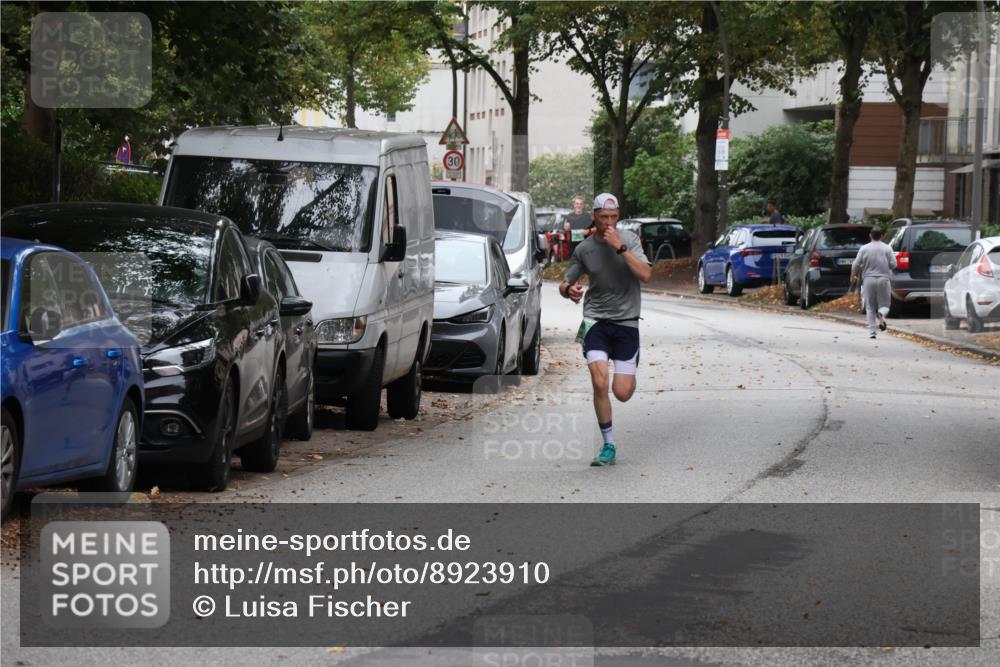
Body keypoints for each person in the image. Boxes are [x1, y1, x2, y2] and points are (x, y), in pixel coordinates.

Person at [559, 193, 652, 467]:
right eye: (603, 217)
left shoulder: (630, 240)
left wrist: (620, 247)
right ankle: (608, 445)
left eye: (613, 217)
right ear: (594, 216)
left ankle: (629, 374)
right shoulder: (585, 248)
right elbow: (565, 282)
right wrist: (569, 290)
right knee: (599, 382)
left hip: (626, 321)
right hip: (595, 320)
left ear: (618, 216)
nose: (608, 222)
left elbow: (646, 274)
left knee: (622, 392)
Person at [850, 227, 897, 339]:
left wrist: (853, 276)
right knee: (885, 305)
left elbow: (856, 264)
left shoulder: (864, 248)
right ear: (882, 236)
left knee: (870, 307)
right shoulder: (887, 248)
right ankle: (881, 314)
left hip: (868, 279)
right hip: (884, 279)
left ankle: (872, 332)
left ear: (870, 235)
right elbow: (894, 264)